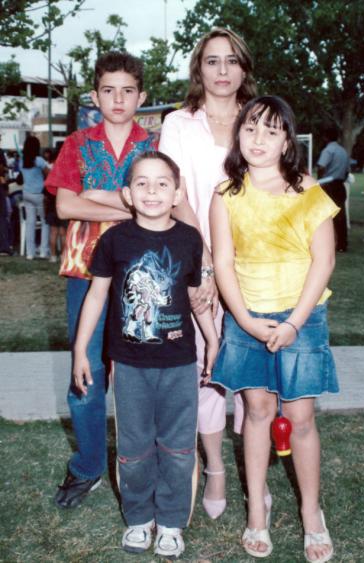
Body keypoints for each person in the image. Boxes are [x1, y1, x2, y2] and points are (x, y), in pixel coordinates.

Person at [210, 96, 338, 562]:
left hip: (301, 319)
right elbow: (223, 261)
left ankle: (311, 514)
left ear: (288, 140)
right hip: (248, 320)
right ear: (237, 135)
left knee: (300, 419)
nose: (259, 139)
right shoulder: (226, 195)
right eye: (250, 129)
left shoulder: (308, 189)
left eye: (270, 130)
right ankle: (257, 516)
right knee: (258, 415)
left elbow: (323, 261)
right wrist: (243, 319)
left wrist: (294, 322)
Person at [73, 151, 218, 558]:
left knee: (177, 447)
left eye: (161, 183)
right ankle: (139, 518)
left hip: (179, 364)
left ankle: (171, 521)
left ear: (176, 193)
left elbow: (196, 299)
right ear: (127, 194)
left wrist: (213, 343)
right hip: (130, 365)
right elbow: (97, 295)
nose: (152, 191)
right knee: (134, 447)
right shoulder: (114, 240)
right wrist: (81, 350)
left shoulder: (190, 239)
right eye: (142, 183)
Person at [45, 51, 157, 509]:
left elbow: (161, 205)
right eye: (108, 90)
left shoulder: (151, 147)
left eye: (127, 91)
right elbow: (67, 207)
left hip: (141, 274)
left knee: (138, 373)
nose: (117, 99)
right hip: (85, 271)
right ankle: (89, 465)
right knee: (85, 371)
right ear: (95, 95)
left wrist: (99, 197)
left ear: (141, 97)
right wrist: (128, 205)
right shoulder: (77, 143)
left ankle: (139, 466)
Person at [159, 27, 257, 519]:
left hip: (254, 263)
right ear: (199, 69)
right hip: (195, 261)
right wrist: (208, 263)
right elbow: (176, 193)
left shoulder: (258, 121)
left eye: (231, 61)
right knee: (205, 370)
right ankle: (216, 468)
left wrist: (233, 264)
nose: (222, 71)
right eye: (212, 61)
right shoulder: (179, 123)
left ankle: (256, 474)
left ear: (244, 68)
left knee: (255, 374)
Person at [317, 127, 350, 252]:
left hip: (328, 184)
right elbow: (347, 172)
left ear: (326, 137)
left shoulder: (328, 150)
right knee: (340, 215)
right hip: (340, 185)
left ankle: (329, 243)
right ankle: (342, 243)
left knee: (326, 215)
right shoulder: (343, 151)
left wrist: (321, 181)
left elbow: (321, 166)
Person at [20, 136, 50, 259]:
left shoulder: (22, 160)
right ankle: (43, 251)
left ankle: (30, 253)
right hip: (39, 194)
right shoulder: (39, 160)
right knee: (45, 222)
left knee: (30, 223)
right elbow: (49, 175)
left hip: (26, 193)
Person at [43, 148, 68, 262]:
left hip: (51, 206)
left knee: (53, 232)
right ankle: (63, 256)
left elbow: (45, 193)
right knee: (63, 233)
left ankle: (53, 256)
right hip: (63, 205)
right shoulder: (66, 173)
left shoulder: (50, 174)